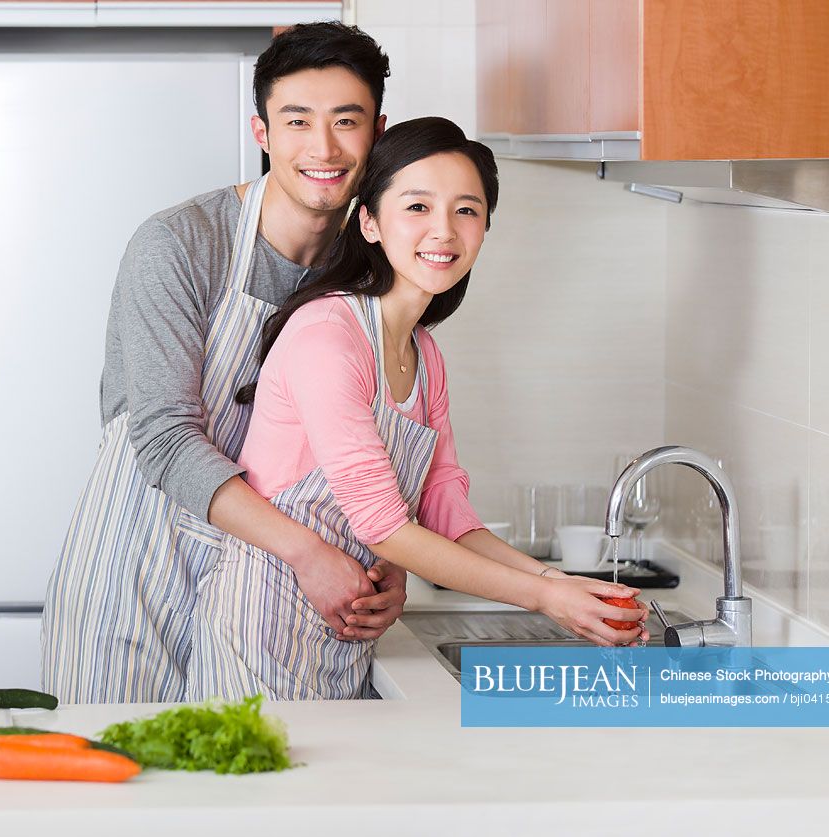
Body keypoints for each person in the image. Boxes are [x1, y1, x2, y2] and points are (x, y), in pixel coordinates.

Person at [185, 117, 650, 702]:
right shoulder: (328, 336)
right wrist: (541, 597)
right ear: (370, 222)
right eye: (418, 207)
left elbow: (445, 508)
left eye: (466, 210)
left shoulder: (423, 353)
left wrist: (561, 583)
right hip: (259, 628)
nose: (444, 232)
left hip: (344, 629)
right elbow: (383, 526)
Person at [39, 23, 406, 704]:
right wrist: (308, 552)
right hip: (135, 571)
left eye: (345, 122)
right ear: (262, 132)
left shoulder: (372, 266)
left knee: (246, 804)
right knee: (115, 797)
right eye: (297, 121)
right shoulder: (178, 245)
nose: (322, 148)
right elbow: (166, 437)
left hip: (263, 598)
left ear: (377, 133)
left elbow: (366, 442)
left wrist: (387, 562)